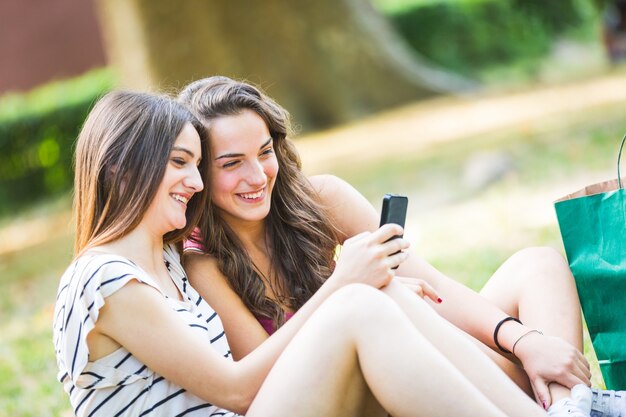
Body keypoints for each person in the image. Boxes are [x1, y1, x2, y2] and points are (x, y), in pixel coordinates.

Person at [53, 90, 556, 417]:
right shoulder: (105, 280)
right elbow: (236, 391)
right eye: (181, 163)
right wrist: (343, 284)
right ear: (120, 170)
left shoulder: (163, 264)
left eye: (195, 164)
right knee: (360, 303)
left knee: (384, 295)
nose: (195, 181)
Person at [179, 76, 625, 417]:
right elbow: (266, 380)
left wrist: (523, 340)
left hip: (441, 365)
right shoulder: (202, 262)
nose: (257, 176)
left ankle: (569, 403)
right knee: (386, 294)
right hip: (371, 390)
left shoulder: (322, 199)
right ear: (198, 172)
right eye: (232, 164)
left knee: (537, 265)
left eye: (264, 151)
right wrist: (348, 285)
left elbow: (432, 284)